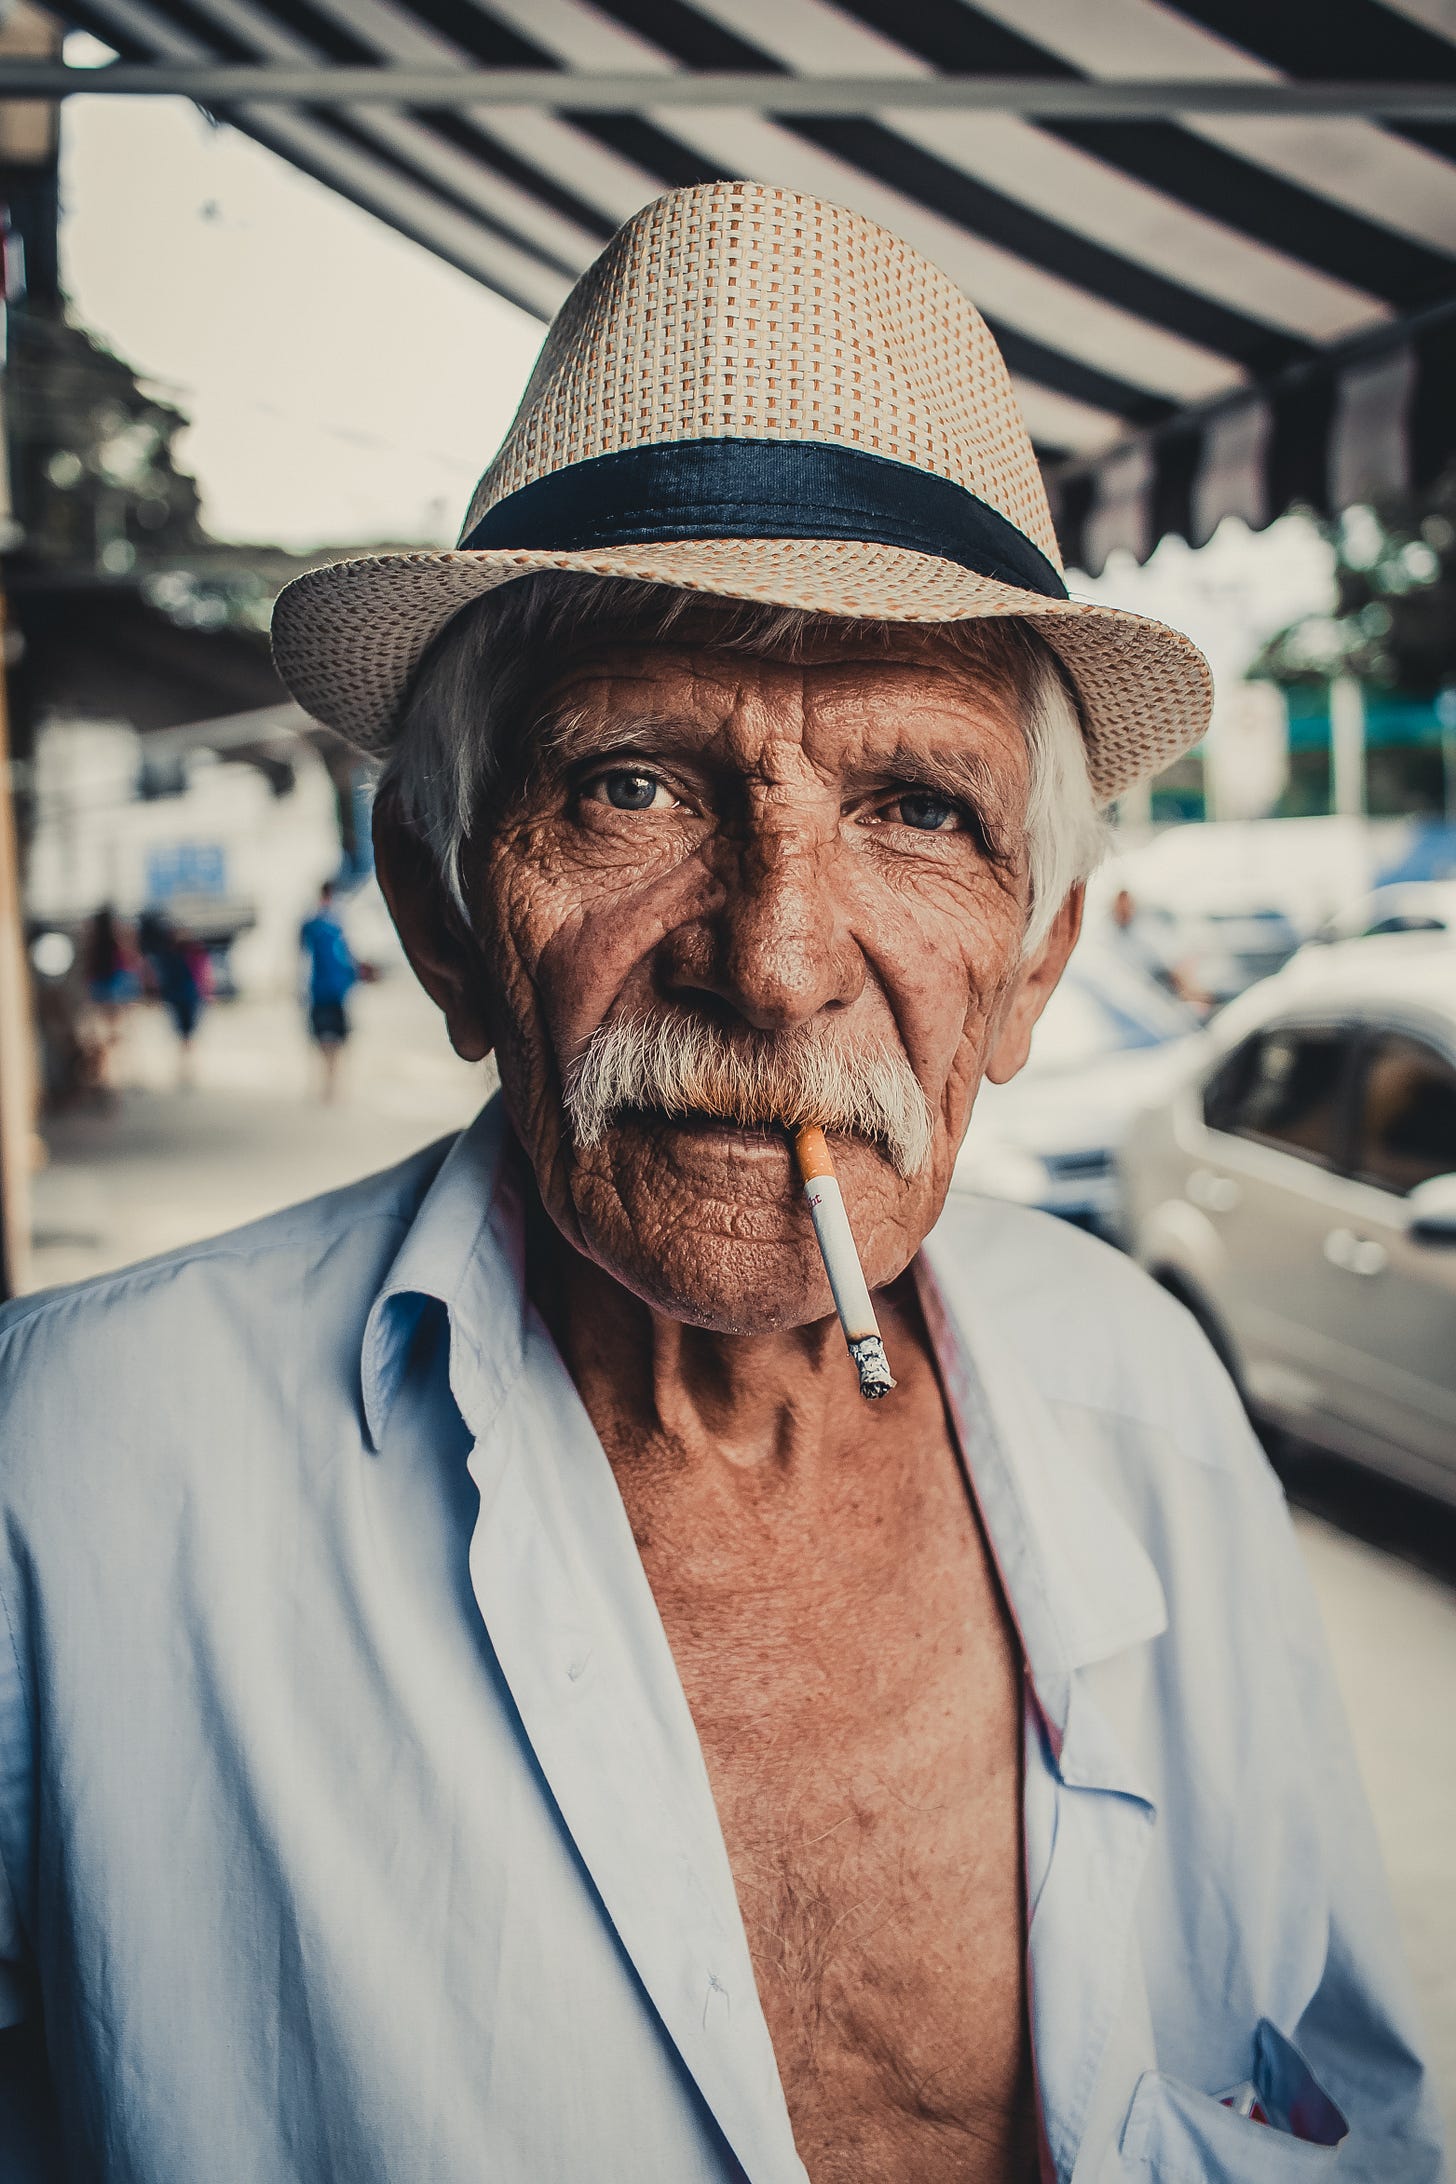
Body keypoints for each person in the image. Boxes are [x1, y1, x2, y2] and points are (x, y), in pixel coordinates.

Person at [0, 184, 1441, 2183]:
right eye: (632, 784)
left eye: (914, 808)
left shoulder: (1141, 1394)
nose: (769, 956)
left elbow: (1350, 2112)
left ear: (1028, 958)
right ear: (436, 906)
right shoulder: (65, 1475)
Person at [299, 877, 360, 1101]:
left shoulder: (312, 923)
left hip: (320, 990)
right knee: (336, 1040)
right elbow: (349, 956)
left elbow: (301, 957)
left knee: (324, 1039)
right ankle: (332, 1084)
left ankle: (328, 1084)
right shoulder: (337, 923)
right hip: (335, 989)